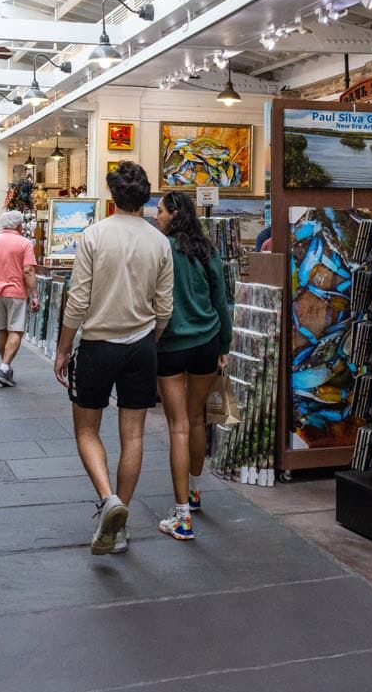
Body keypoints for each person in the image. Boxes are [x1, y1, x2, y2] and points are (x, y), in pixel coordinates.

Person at [54, 162, 173, 555]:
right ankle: (120, 526)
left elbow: (78, 301)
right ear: (146, 196)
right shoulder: (159, 242)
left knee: (87, 429)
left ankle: (108, 501)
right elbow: (165, 307)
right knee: (134, 434)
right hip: (141, 346)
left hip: (97, 345)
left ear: (112, 196)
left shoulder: (93, 236)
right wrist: (148, 338)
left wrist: (62, 348)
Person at [152, 191, 232, 540]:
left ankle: (181, 516)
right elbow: (221, 300)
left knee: (178, 427)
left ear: (174, 214)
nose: (156, 215)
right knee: (197, 419)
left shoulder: (161, 249)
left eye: (160, 210)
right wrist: (224, 344)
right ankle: (196, 492)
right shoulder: (207, 250)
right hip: (206, 341)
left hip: (170, 344)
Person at [0, 210, 39, 387]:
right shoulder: (24, 243)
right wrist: (34, 294)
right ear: (20, 226)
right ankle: (4, 367)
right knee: (16, 330)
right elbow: (28, 271)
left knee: (2, 330)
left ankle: (5, 367)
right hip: (16, 292)